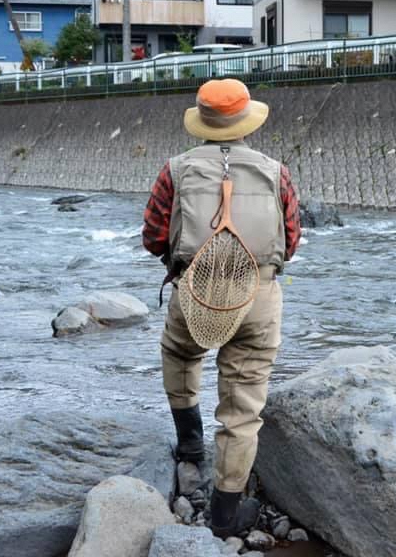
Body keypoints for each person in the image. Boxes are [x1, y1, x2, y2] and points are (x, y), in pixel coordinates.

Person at [142, 79, 300, 538]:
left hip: (196, 290)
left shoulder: (176, 170)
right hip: (258, 292)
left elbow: (153, 236)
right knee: (243, 402)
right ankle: (226, 514)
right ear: (247, 119)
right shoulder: (275, 171)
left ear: (203, 121)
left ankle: (190, 447)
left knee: (179, 351)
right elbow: (290, 241)